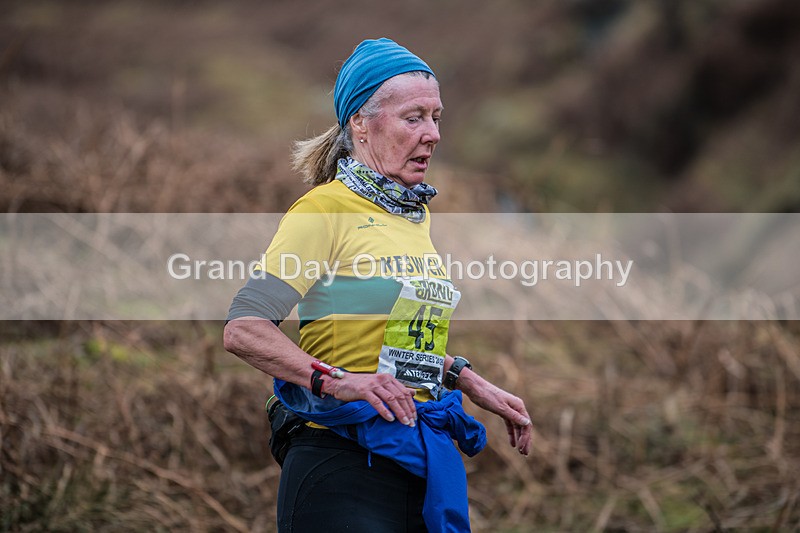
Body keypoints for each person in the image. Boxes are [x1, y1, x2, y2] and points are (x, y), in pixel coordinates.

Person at [223, 37, 532, 533]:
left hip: (410, 458)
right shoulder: (323, 211)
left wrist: (465, 379)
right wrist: (339, 381)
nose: (432, 134)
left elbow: (386, 338)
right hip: (339, 464)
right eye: (414, 117)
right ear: (359, 124)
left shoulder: (414, 217)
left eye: (436, 117)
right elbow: (244, 327)